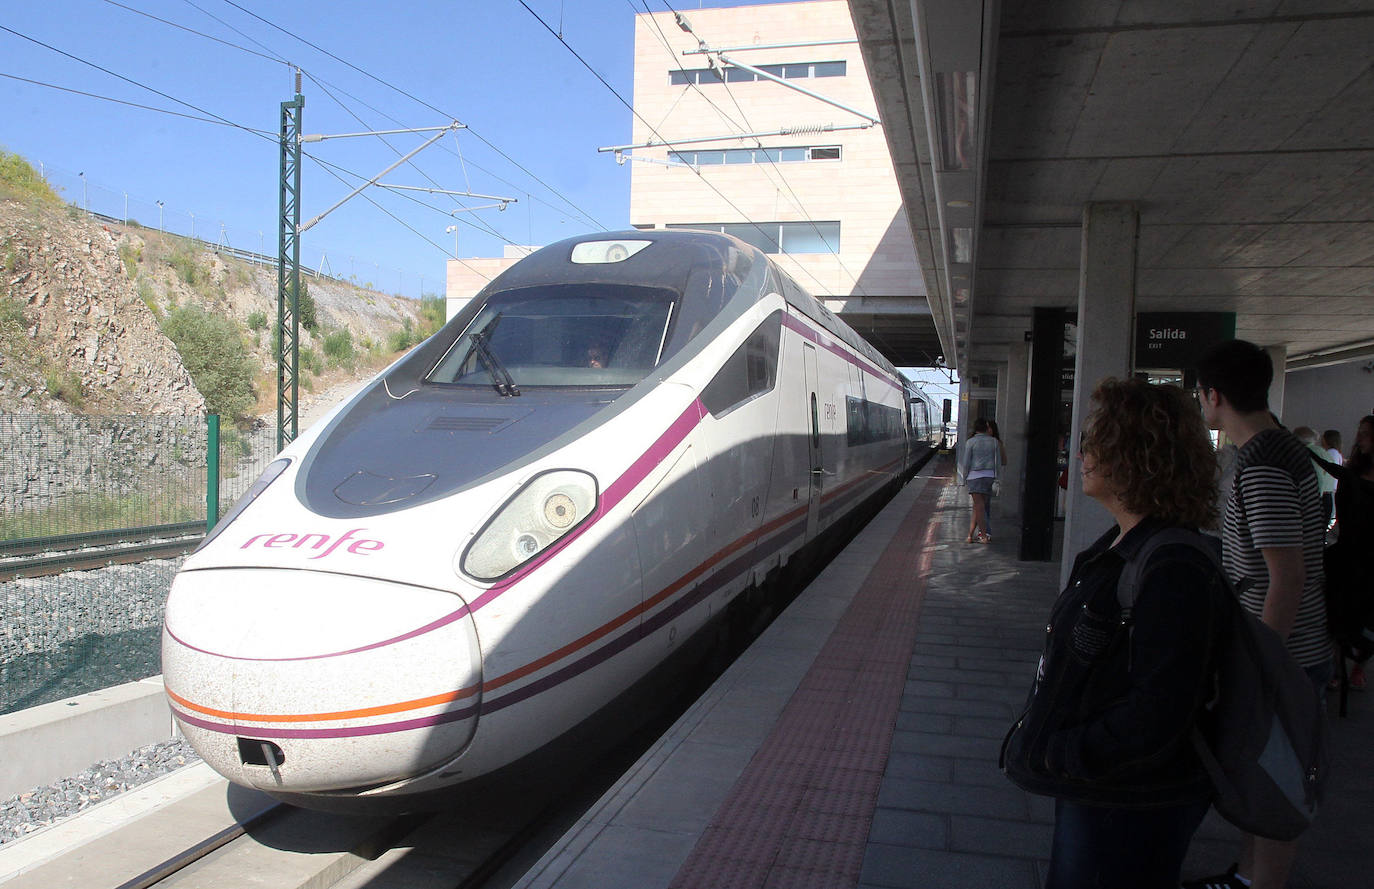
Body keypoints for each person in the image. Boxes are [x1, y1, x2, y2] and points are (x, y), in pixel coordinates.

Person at [1001, 378, 1228, 889]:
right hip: (1107, 791)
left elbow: (1161, 708)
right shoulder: (1130, 545)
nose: (1079, 454)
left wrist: (1068, 753)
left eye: (1093, 441)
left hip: (1127, 798)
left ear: (1135, 454)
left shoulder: (1172, 567)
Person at [1184, 340, 1330, 889]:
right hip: (1290, 649)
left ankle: (1259, 884)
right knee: (1265, 774)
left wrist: (1263, 661)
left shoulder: (1263, 464)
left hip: (1282, 654)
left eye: (1201, 395)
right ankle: (1247, 876)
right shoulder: (1281, 450)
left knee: (1278, 781)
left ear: (1214, 396)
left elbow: (1284, 574)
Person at [1314, 415, 1374, 690]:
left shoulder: (1357, 474)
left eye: (1365, 434)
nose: (1359, 438)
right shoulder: (1353, 470)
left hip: (1366, 556)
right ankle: (1337, 666)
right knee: (1335, 609)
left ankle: (1357, 663)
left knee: (1362, 613)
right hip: (1347, 553)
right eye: (1360, 432)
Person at [959, 418, 1000, 543]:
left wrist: (963, 477)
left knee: (979, 506)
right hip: (989, 476)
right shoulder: (994, 442)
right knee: (978, 507)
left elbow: (966, 462)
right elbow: (997, 461)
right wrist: (998, 478)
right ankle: (970, 535)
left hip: (974, 476)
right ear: (986, 427)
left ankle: (983, 535)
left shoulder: (970, 442)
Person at [1294, 426, 1338, 527]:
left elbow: (1318, 478)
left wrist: (1314, 502)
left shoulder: (1308, 453)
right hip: (1327, 497)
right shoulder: (1323, 452)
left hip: (1316, 499)